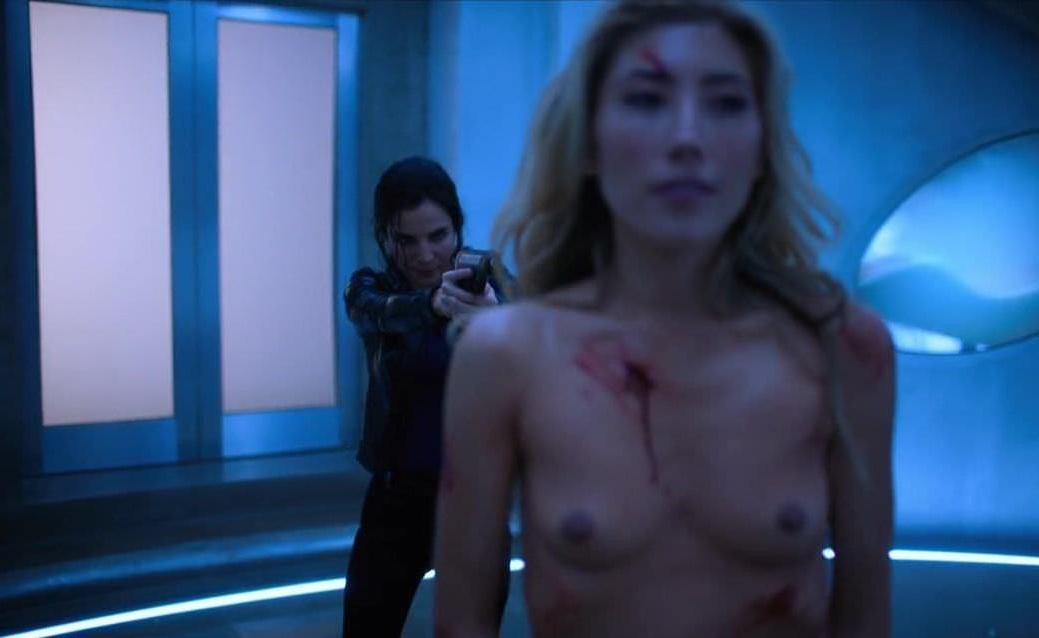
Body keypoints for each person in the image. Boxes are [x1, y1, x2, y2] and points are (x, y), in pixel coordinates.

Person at [433, 1, 895, 637]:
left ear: (761, 146)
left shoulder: (841, 350)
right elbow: (461, 623)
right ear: (587, 144)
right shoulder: (506, 356)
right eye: (647, 100)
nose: (687, 138)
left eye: (726, 103)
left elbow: (866, 615)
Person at [341, 156, 510, 637]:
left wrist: (497, 322)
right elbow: (371, 310)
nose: (425, 255)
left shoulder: (489, 279)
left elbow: (540, 339)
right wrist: (433, 306)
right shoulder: (373, 287)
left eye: (438, 236)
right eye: (406, 240)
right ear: (385, 237)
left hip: (475, 500)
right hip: (397, 499)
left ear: (457, 229)